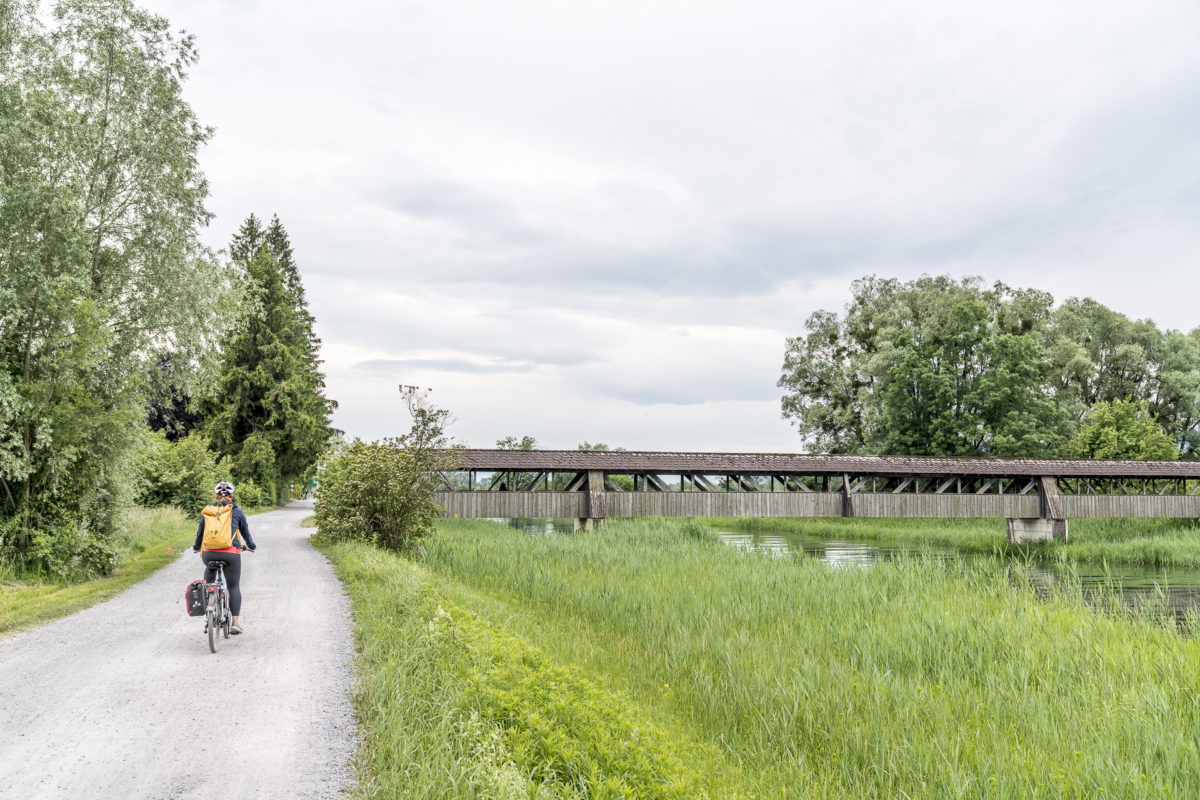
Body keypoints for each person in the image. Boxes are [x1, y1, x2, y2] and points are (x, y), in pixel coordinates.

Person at [193, 481, 257, 634]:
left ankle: (209, 606)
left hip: (209, 553)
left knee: (208, 580)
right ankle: (235, 623)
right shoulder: (237, 511)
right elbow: (246, 534)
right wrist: (251, 545)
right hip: (231, 553)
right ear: (231, 496)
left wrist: (196, 547)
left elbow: (200, 534)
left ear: (216, 496)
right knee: (233, 587)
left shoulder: (209, 511)